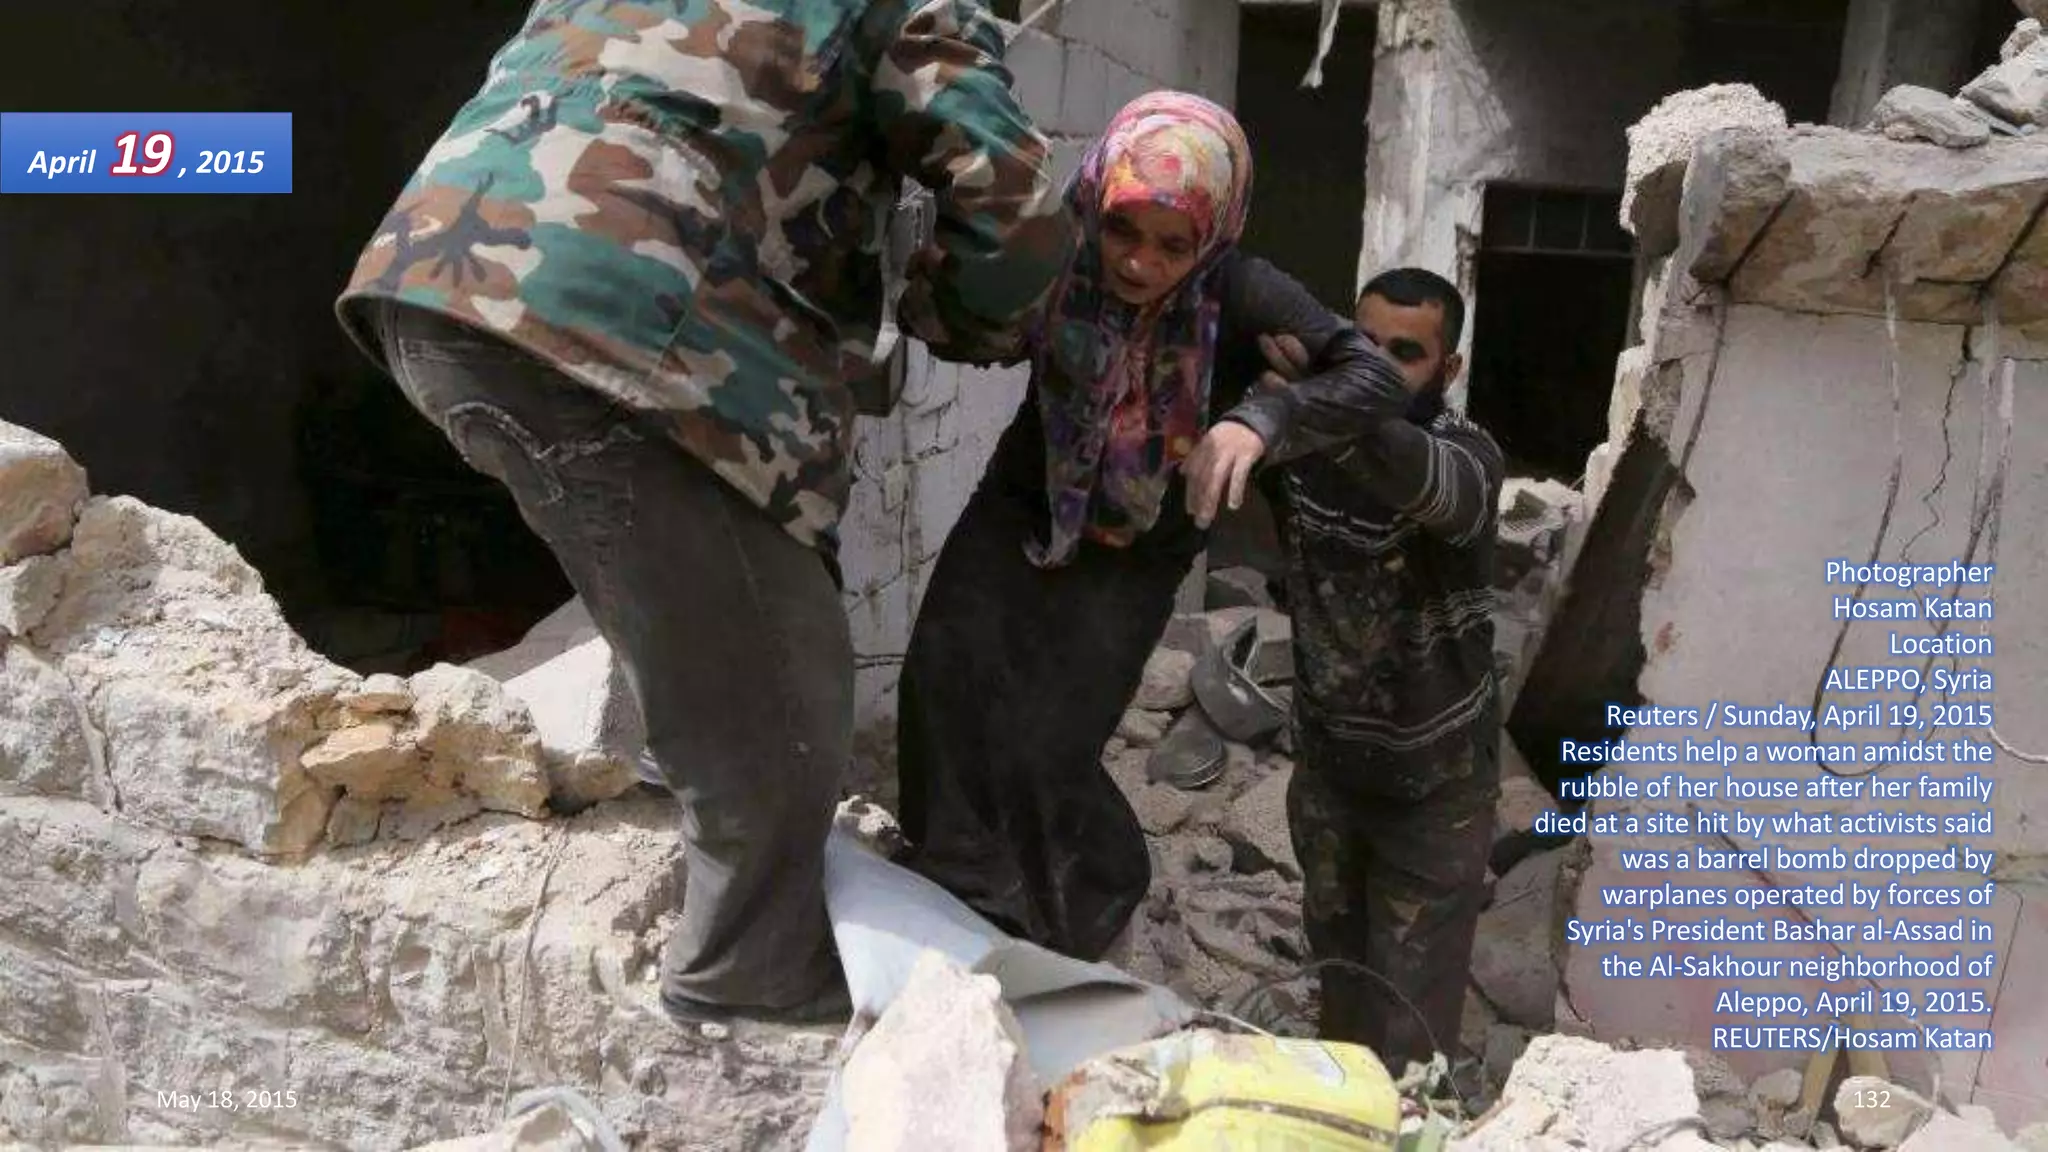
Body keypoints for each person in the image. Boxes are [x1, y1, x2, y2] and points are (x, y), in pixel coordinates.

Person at [333, 0, 1074, 1025]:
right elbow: (1016, 208)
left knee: (724, 617)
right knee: (786, 692)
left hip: (439, 281)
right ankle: (750, 983)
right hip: (618, 315)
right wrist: (960, 315)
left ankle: (721, 903)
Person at [893, 90, 1415, 962]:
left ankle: (1083, 908)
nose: (1139, 264)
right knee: (940, 683)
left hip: (1145, 544)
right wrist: (957, 286)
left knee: (1049, 742)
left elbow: (1374, 378)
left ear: (1212, 237)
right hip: (1025, 498)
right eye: (1123, 233)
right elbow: (959, 331)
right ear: (1097, 202)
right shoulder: (1055, 253)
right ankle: (952, 889)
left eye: (1173, 247)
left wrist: (1261, 422)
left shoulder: (1244, 289)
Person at [1257, 267, 1505, 1075]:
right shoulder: (1303, 450)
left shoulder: (1467, 455)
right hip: (1330, 771)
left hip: (1436, 789)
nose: (1383, 367)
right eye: (1366, 346)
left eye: (1408, 354)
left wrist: (1317, 401)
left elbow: (1434, 487)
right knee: (1340, 991)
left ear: (1449, 370)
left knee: (1411, 1032)